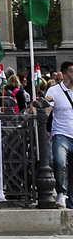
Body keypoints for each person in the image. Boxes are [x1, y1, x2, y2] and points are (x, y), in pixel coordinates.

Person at [46, 61, 73, 208]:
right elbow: (47, 111)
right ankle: (61, 193)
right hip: (61, 134)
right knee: (59, 162)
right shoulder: (54, 91)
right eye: (71, 71)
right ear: (63, 74)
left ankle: (71, 199)